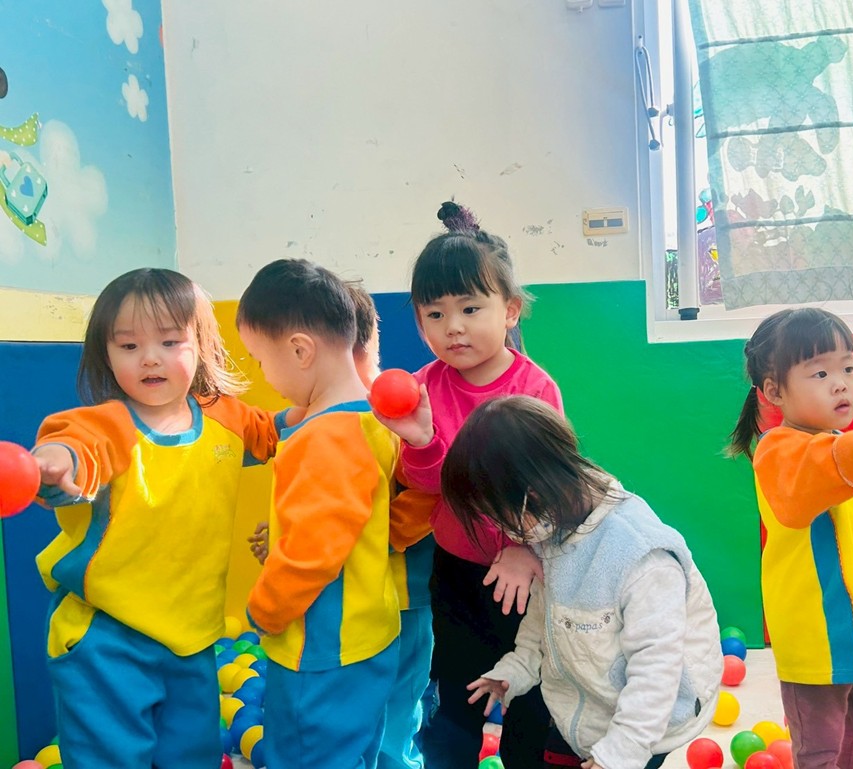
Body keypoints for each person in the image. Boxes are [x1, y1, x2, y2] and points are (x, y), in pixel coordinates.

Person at [31, 268, 285, 768]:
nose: (150, 358)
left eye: (170, 342)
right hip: (107, 638)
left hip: (192, 638)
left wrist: (331, 412)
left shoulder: (225, 416)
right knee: (108, 756)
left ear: (201, 346)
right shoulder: (104, 426)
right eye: (128, 346)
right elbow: (73, 448)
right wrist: (55, 463)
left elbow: (278, 435)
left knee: (191, 753)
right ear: (106, 354)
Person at [374, 201, 560, 769]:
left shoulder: (534, 388)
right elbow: (430, 485)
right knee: (457, 698)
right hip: (455, 569)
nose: (452, 326)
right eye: (434, 314)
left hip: (527, 572)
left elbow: (549, 485)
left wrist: (522, 547)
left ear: (510, 310)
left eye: (470, 308)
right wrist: (420, 441)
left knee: (530, 698)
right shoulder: (423, 387)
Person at [443, 396, 723, 769]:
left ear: (531, 495)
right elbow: (543, 622)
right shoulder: (550, 529)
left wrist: (619, 755)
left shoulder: (640, 557)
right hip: (584, 709)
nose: (502, 531)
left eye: (500, 517)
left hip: (644, 729)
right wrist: (516, 670)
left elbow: (656, 672)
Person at [247, 278, 435, 769]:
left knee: (305, 755)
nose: (264, 373)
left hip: (323, 646)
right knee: (359, 750)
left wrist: (264, 609)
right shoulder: (374, 421)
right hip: (371, 631)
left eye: (260, 360)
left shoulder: (324, 437)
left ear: (300, 350)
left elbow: (314, 550)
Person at [727, 307, 853, 769]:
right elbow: (814, 477)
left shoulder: (849, 453)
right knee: (820, 741)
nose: (840, 384)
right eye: (820, 373)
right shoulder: (779, 450)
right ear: (774, 391)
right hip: (818, 632)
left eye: (848, 368)